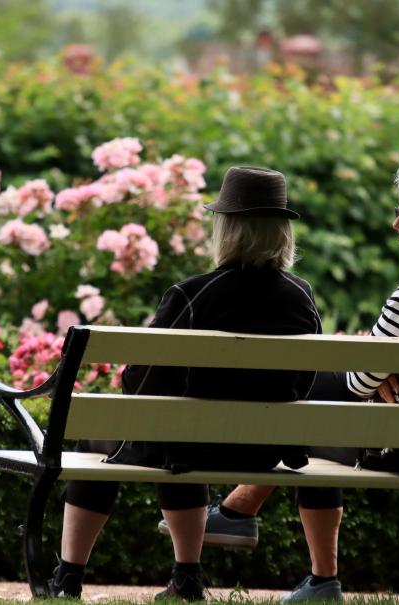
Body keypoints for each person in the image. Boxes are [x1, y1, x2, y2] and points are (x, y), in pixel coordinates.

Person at [177, 161, 399, 602]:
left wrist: (378, 375)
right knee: (322, 406)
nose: (397, 224)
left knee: (312, 397)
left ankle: (257, 524)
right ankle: (256, 525)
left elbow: (358, 381)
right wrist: (383, 373)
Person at [50, 166, 323, 602]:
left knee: (122, 434)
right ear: (282, 234)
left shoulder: (193, 293)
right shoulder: (301, 296)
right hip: (262, 450)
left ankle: (68, 576)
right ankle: (186, 579)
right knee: (178, 428)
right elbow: (305, 381)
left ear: (227, 230)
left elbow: (143, 380)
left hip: (188, 443)